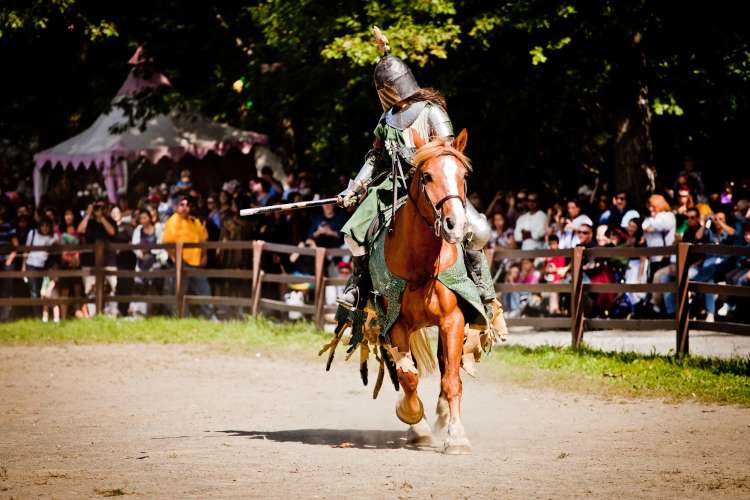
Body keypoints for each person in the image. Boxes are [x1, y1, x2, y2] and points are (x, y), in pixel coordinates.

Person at [335, 28, 496, 309]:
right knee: (354, 233)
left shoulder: (432, 111)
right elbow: (374, 158)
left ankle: (480, 284)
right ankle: (359, 287)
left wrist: (416, 158)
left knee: (477, 230)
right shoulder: (386, 120)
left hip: (434, 182)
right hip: (393, 185)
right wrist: (354, 188)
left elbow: (446, 151)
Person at [162, 195, 218, 320]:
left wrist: (205, 255)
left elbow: (204, 239)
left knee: (204, 291)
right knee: (180, 292)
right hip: (180, 263)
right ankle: (183, 318)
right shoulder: (172, 221)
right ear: (176, 207)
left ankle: (211, 317)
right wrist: (175, 259)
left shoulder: (195, 221)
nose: (185, 208)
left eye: (187, 205)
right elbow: (167, 243)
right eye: (182, 205)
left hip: (196, 262)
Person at [78, 199, 117, 314]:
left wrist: (102, 218)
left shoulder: (110, 221)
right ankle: (93, 314)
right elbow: (80, 230)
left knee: (111, 289)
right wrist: (88, 214)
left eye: (101, 208)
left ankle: (111, 314)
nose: (98, 210)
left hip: (108, 261)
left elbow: (112, 232)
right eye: (96, 208)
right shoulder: (88, 223)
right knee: (90, 290)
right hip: (89, 262)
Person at [22, 217, 58, 317]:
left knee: (43, 292)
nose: (45, 228)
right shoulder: (32, 233)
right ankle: (37, 315)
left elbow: (57, 244)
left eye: (47, 226)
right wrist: (23, 266)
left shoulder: (51, 237)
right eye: (43, 225)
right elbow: (26, 250)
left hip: (43, 266)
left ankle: (43, 315)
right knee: (34, 292)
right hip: (31, 265)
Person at [0, 205, 19, 321]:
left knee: (6, 289)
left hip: (6, 261)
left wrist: (10, 258)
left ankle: (5, 316)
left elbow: (15, 245)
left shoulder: (9, 225)